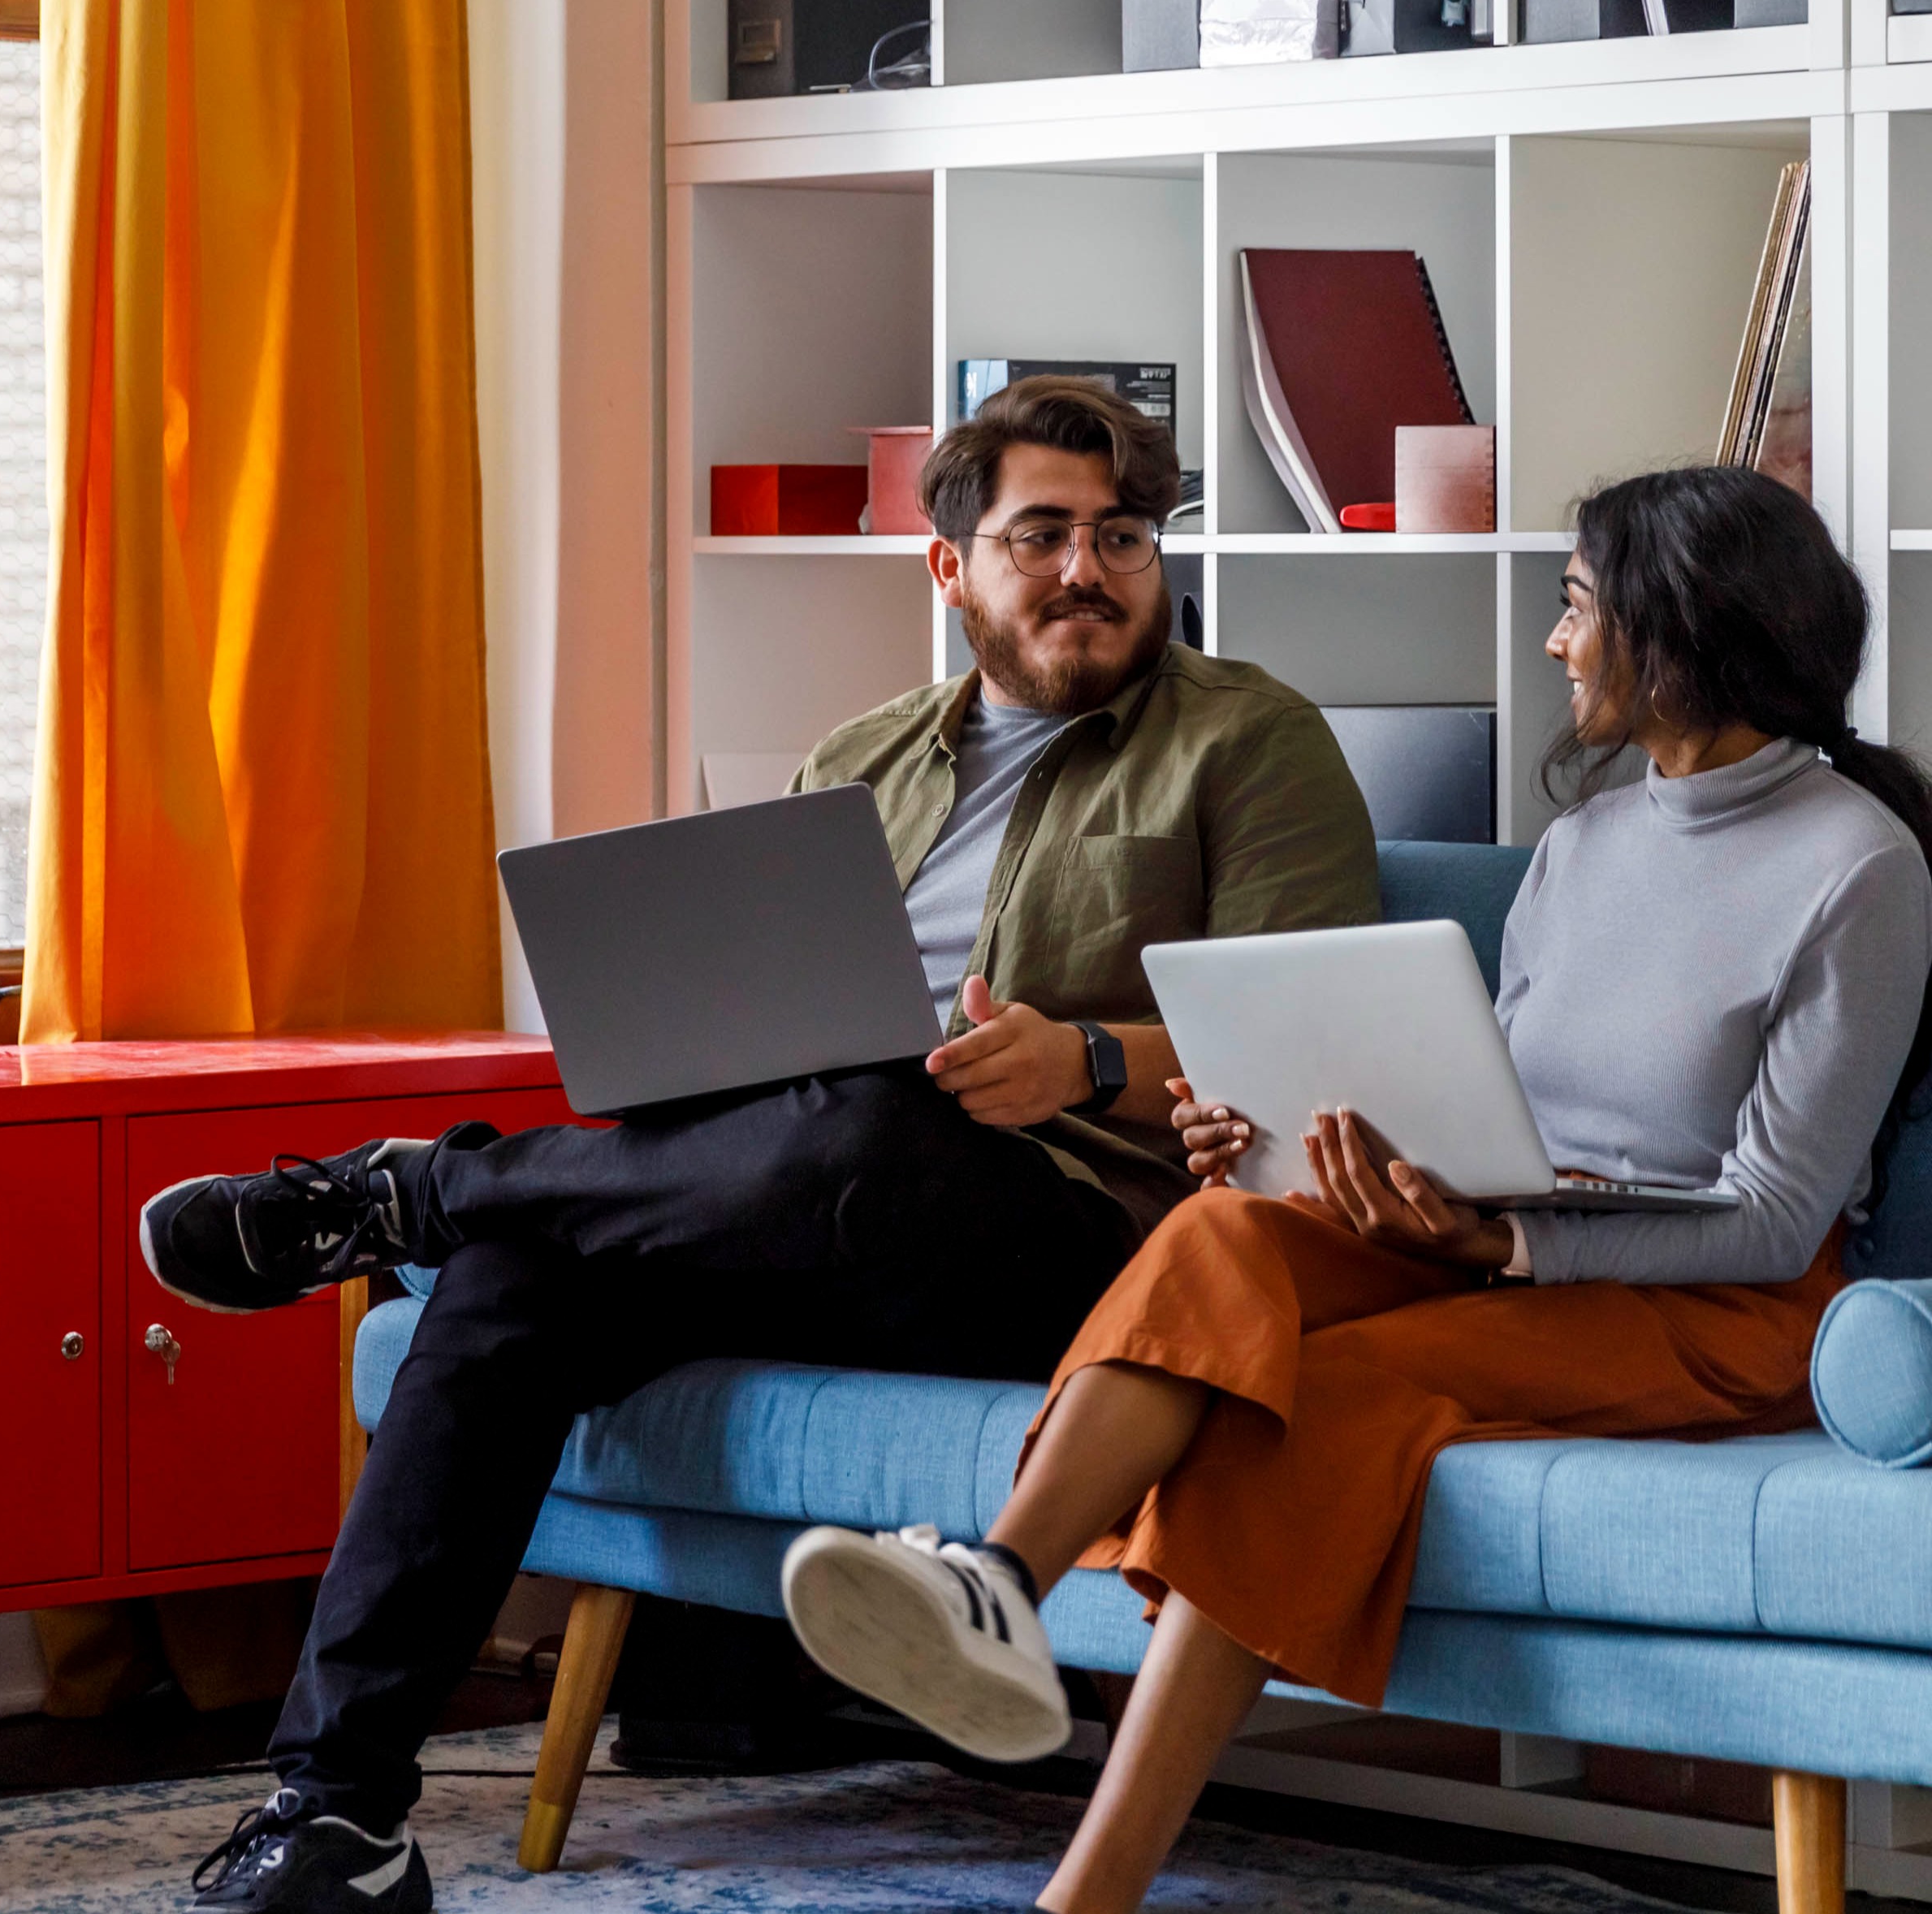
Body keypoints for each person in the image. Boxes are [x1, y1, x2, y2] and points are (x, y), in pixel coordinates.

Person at [137, 376, 1379, 1914]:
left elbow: (1312, 1059)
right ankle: (338, 1814)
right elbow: (747, 1059)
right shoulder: (861, 754)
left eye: (1123, 536)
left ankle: (409, 1191)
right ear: (953, 570)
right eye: (1043, 533)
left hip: (1081, 1241)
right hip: (808, 1203)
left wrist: (1090, 1057)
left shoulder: (1248, 741)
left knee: (863, 1121)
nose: (1089, 570)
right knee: (517, 1277)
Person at [773, 464, 1932, 1914]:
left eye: (1578, 607)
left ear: (1684, 630)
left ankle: (1084, 1897)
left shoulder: (1858, 868)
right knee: (1225, 1226)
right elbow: (1505, 1111)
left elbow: (1780, 1215)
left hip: (1725, 1304)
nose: (1558, 644)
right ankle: (995, 1587)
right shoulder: (1586, 845)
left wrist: (1505, 1240)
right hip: (1511, 1233)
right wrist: (1302, 1154)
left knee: (1326, 1401)